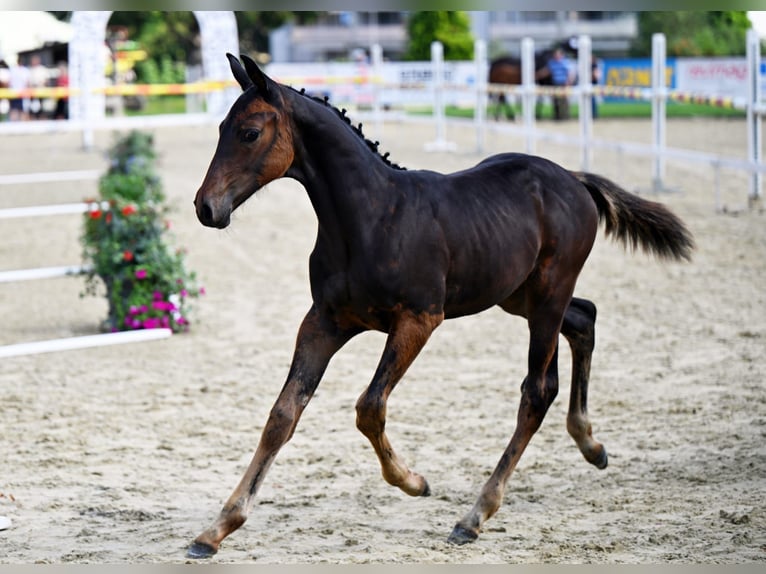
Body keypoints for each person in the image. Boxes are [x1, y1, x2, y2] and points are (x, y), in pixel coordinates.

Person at [546, 48, 574, 121]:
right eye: (555, 54)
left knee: (564, 101)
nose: (556, 56)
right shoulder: (551, 62)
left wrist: (568, 83)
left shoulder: (565, 62)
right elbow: (548, 72)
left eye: (558, 54)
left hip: (564, 84)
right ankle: (557, 116)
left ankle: (565, 116)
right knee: (555, 101)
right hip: (555, 83)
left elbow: (570, 73)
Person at [7, 57, 30, 121]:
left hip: (14, 93)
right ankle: (22, 126)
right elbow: (27, 83)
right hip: (22, 93)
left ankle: (14, 126)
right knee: (22, 111)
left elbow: (9, 82)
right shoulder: (25, 70)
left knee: (14, 110)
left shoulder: (12, 70)